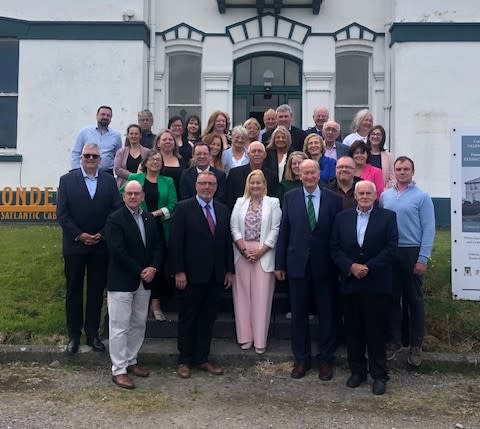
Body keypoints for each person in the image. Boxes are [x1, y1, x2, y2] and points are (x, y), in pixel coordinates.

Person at [275, 159, 343, 380]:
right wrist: (280, 264)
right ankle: (301, 360)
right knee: (299, 315)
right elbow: (284, 231)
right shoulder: (290, 197)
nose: (309, 176)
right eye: (305, 173)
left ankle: (325, 360)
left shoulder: (334, 199)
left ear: (319, 174)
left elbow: (337, 234)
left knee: (327, 314)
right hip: (298, 265)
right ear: (300, 175)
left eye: (313, 172)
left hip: (326, 266)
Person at [331, 180, 398, 395]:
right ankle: (357, 371)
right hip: (351, 282)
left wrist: (367, 268)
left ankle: (379, 375)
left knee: (376, 331)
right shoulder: (342, 218)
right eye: (361, 193)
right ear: (355, 196)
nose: (365, 196)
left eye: (369, 193)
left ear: (375, 195)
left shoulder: (388, 217)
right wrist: (350, 267)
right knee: (353, 330)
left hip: (376, 282)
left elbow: (391, 248)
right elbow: (334, 248)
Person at [57, 143, 121, 354]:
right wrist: (80, 235)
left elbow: (115, 210)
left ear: (100, 159)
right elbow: (62, 214)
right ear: (81, 157)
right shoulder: (67, 180)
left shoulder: (109, 181)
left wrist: (101, 234)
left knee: (95, 291)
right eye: (87, 156)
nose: (91, 159)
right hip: (75, 245)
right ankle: (74, 336)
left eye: (95, 156)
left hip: (100, 245)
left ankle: (93, 334)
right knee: (74, 290)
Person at [169, 171, 234, 379]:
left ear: (216, 187)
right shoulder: (183, 208)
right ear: (196, 185)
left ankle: (202, 358)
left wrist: (229, 270)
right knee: (188, 317)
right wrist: (178, 271)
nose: (207, 187)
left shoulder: (223, 210)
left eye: (211, 184)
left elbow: (226, 243)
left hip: (215, 275)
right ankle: (184, 360)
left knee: (207, 318)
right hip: (190, 274)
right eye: (203, 183)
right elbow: (176, 243)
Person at [105, 180, 164, 389]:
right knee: (120, 326)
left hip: (145, 281)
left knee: (138, 323)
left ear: (142, 196)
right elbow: (117, 251)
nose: (132, 197)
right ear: (123, 196)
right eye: (129, 193)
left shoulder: (149, 218)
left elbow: (158, 245)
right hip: (122, 280)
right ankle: (118, 369)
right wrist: (140, 271)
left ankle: (131, 361)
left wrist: (154, 268)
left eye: (136, 193)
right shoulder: (115, 219)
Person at [380, 156, 435, 367]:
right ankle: (395, 341)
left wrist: (423, 258)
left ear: (412, 171)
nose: (402, 172)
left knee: (414, 300)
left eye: (406, 169)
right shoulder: (386, 196)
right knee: (393, 299)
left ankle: (415, 344)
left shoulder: (422, 197)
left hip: (412, 252)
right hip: (391, 252)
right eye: (399, 169)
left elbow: (429, 229)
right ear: (394, 172)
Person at [230, 170, 282, 354]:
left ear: (264, 184)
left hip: (264, 254)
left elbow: (275, 230)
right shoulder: (239, 202)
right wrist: (243, 250)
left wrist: (261, 251)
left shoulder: (273, 203)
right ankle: (245, 337)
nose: (255, 186)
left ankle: (260, 340)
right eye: (252, 183)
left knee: (261, 298)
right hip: (242, 253)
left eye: (258, 183)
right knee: (242, 297)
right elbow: (234, 227)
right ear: (248, 184)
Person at [125, 150, 177, 321]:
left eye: (159, 159)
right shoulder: (135, 179)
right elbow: (122, 195)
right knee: (139, 261)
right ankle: (138, 303)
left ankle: (155, 304)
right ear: (145, 162)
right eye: (152, 159)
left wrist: (153, 214)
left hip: (159, 227)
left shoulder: (167, 181)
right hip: (137, 226)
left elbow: (173, 205)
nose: (155, 162)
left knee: (157, 266)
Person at [226, 141, 279, 211]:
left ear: (265, 155)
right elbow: (229, 199)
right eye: (253, 151)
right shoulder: (235, 174)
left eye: (260, 151)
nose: (257, 154)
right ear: (248, 154)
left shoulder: (272, 176)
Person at [71, 105, 122, 174]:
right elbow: (76, 152)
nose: (105, 117)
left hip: (106, 173)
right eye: (103, 114)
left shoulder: (116, 135)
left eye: (108, 115)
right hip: (86, 172)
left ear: (111, 118)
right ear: (97, 116)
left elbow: (118, 156)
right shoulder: (85, 132)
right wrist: (76, 170)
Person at [154, 129, 188, 196]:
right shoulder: (152, 160)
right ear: (158, 143)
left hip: (179, 197)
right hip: (159, 196)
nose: (168, 141)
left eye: (170, 139)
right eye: (164, 140)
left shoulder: (181, 160)